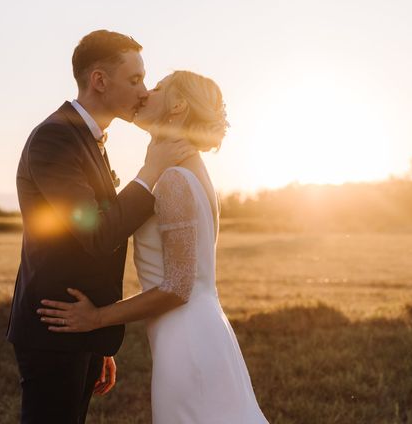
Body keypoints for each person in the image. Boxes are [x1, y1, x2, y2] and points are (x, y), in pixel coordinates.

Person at [38, 71, 269, 423]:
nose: (145, 93)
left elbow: (177, 288)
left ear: (177, 106)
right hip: (203, 331)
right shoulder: (185, 169)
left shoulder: (175, 179)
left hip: (187, 339)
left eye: (158, 87)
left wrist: (97, 319)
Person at [7, 30, 195, 424]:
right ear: (99, 81)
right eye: (134, 80)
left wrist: (98, 341)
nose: (144, 91)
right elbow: (98, 233)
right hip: (54, 326)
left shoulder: (88, 139)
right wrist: (150, 171)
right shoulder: (54, 139)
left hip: (81, 327)